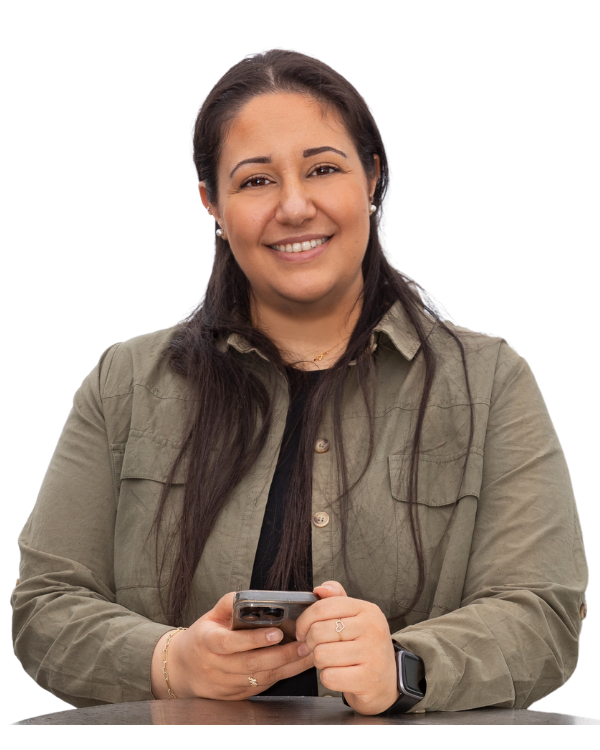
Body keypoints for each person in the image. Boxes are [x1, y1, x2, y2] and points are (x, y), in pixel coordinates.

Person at [11, 48, 588, 715]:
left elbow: (543, 612)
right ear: (212, 204)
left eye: (322, 169)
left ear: (371, 178)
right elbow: (46, 605)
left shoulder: (491, 382)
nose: (293, 206)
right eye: (256, 181)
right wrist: (170, 661)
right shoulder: (124, 384)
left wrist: (404, 665)